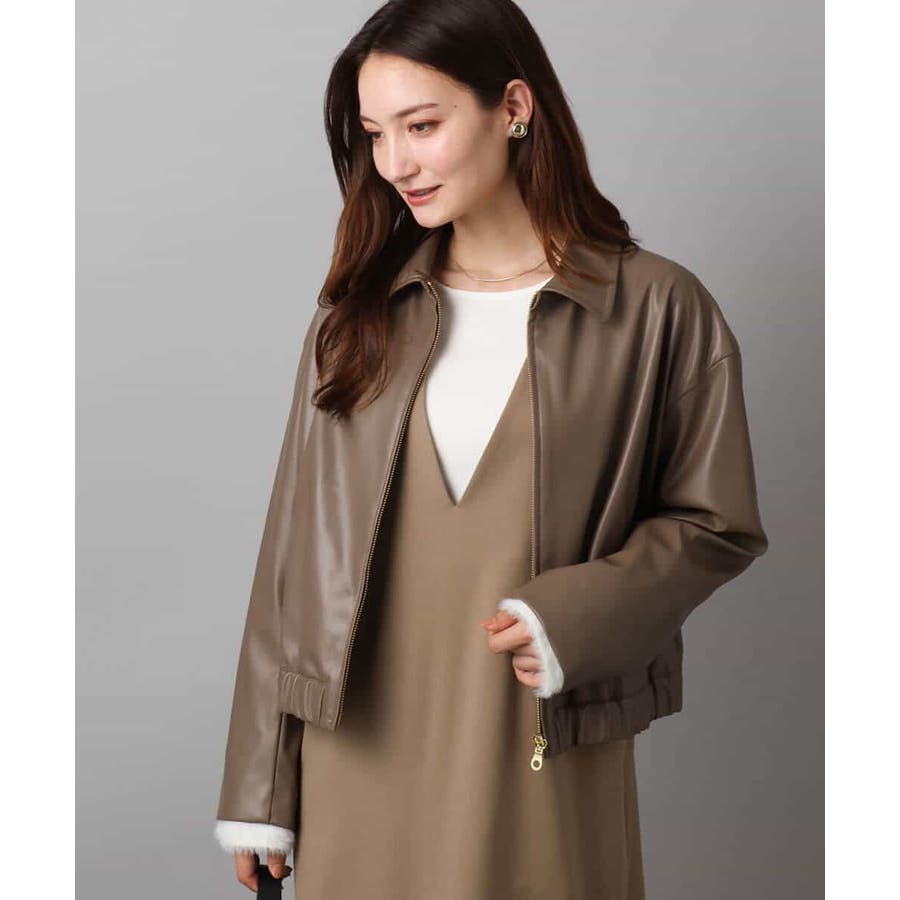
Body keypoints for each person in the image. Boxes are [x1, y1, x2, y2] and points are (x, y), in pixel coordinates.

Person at [212, 1, 769, 897]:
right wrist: (261, 788)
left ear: (513, 106)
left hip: (536, 740)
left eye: (422, 126)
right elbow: (292, 559)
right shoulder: (355, 321)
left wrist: (577, 618)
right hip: (357, 747)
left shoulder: (657, 310)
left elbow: (717, 525)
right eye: (375, 135)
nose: (395, 164)